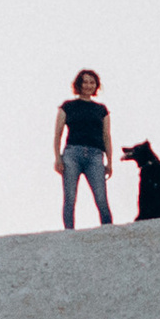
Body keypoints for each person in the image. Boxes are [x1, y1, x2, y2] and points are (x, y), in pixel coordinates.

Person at [53, 69, 115, 228]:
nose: (88, 85)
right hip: (72, 153)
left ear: (96, 86)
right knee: (70, 198)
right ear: (79, 84)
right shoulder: (67, 107)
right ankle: (69, 233)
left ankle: (108, 232)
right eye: (85, 82)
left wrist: (109, 162)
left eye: (92, 82)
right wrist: (58, 158)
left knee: (101, 198)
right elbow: (58, 134)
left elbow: (106, 136)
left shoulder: (101, 109)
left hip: (95, 155)